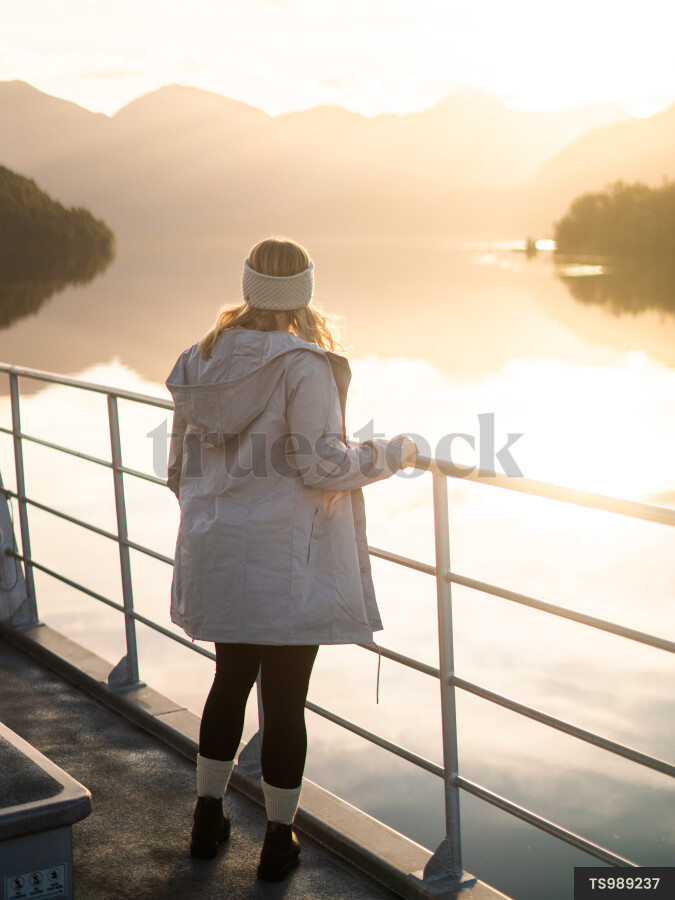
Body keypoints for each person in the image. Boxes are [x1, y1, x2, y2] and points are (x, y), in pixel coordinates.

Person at [166, 236, 416, 882]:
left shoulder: (199, 359)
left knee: (227, 682)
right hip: (282, 557)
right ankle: (278, 840)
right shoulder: (303, 365)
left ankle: (206, 819)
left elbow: (177, 471)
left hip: (219, 547)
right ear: (303, 290)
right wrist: (394, 451)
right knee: (284, 700)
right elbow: (321, 464)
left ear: (247, 285)